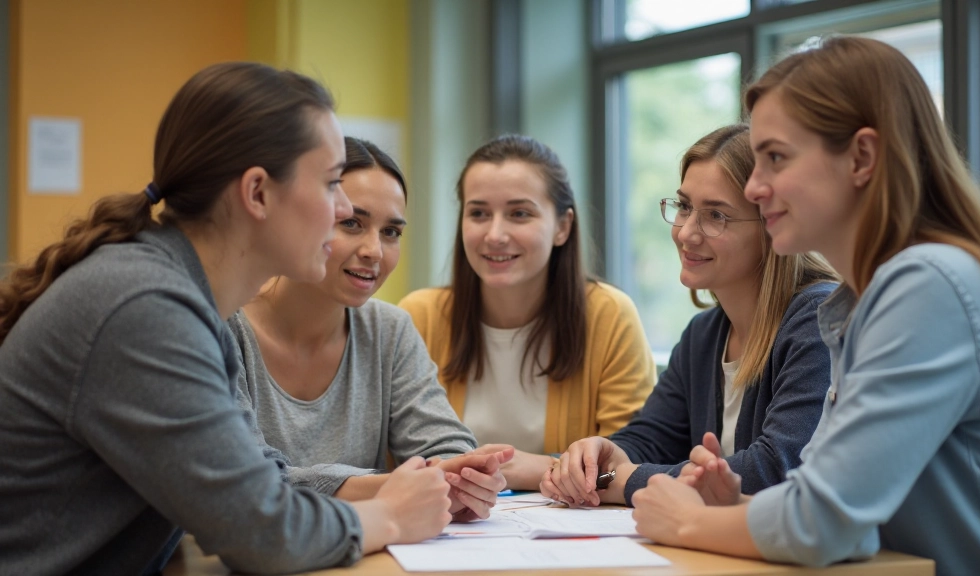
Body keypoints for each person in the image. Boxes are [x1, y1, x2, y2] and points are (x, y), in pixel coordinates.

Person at [0, 63, 454, 575]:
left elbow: (262, 483)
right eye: (330, 184)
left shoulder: (186, 300)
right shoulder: (145, 309)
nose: (343, 206)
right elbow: (263, 534)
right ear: (257, 193)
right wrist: (390, 516)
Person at [630, 36, 980, 576]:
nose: (755, 187)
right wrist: (735, 508)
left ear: (861, 157)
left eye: (775, 158)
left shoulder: (928, 286)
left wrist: (687, 522)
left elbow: (824, 522)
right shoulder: (864, 300)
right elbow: (843, 514)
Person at [540, 124, 838, 507]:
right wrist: (597, 457)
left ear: (773, 225)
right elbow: (649, 441)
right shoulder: (704, 334)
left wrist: (625, 480)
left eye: (716, 215)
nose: (686, 233)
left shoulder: (818, 319)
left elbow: (774, 470)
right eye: (683, 206)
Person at [230, 136, 509, 521]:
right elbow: (248, 483)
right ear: (299, 217)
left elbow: (446, 446)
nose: (374, 250)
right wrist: (397, 487)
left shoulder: (389, 329)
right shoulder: (224, 328)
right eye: (351, 223)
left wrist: (466, 479)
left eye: (391, 232)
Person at [399, 134, 657, 489]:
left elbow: (628, 462)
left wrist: (536, 469)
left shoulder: (609, 315)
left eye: (519, 213)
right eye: (478, 213)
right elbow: (395, 459)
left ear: (562, 227)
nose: (495, 234)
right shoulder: (418, 316)